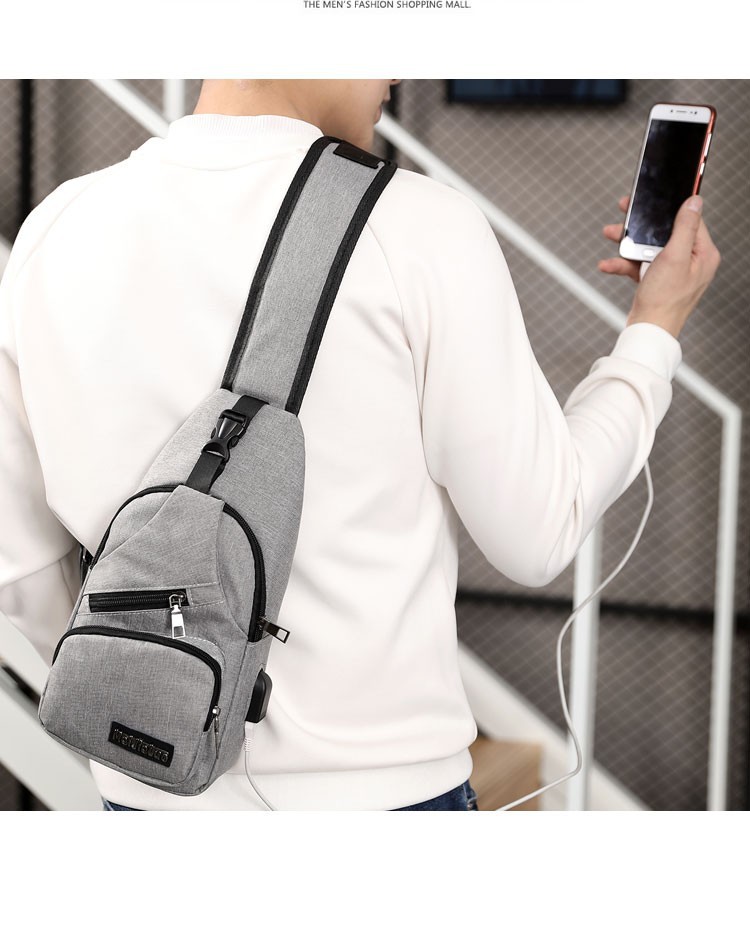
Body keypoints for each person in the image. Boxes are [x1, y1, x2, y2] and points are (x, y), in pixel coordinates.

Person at [0, 79, 720, 811]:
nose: (399, 74)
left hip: (148, 792)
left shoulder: (54, 229)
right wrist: (654, 329)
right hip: (383, 796)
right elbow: (540, 529)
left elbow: (22, 570)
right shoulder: (419, 225)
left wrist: (154, 692)